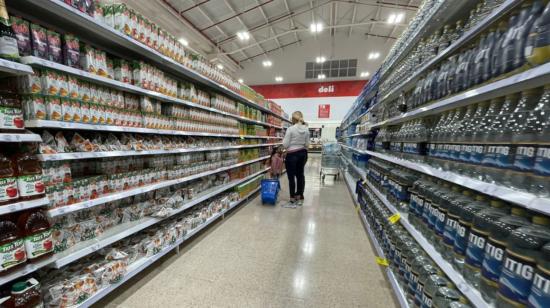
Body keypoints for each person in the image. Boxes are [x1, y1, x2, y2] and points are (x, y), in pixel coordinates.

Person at [282, 111, 309, 208]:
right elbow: (307, 145)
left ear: (293, 119)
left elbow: (285, 144)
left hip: (292, 155)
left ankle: (292, 198)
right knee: (300, 175)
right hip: (302, 154)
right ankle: (300, 196)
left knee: (291, 177)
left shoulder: (290, 129)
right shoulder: (306, 130)